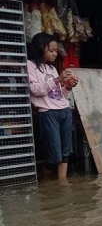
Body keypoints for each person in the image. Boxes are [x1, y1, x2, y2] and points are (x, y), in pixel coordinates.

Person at [27, 32, 79, 182]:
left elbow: (59, 94)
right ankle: (43, 177)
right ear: (40, 48)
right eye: (51, 50)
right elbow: (37, 90)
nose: (55, 53)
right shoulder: (30, 66)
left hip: (64, 110)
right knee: (55, 157)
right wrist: (58, 79)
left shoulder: (52, 69)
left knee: (65, 154)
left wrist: (68, 86)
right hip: (48, 113)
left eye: (56, 50)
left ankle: (62, 185)